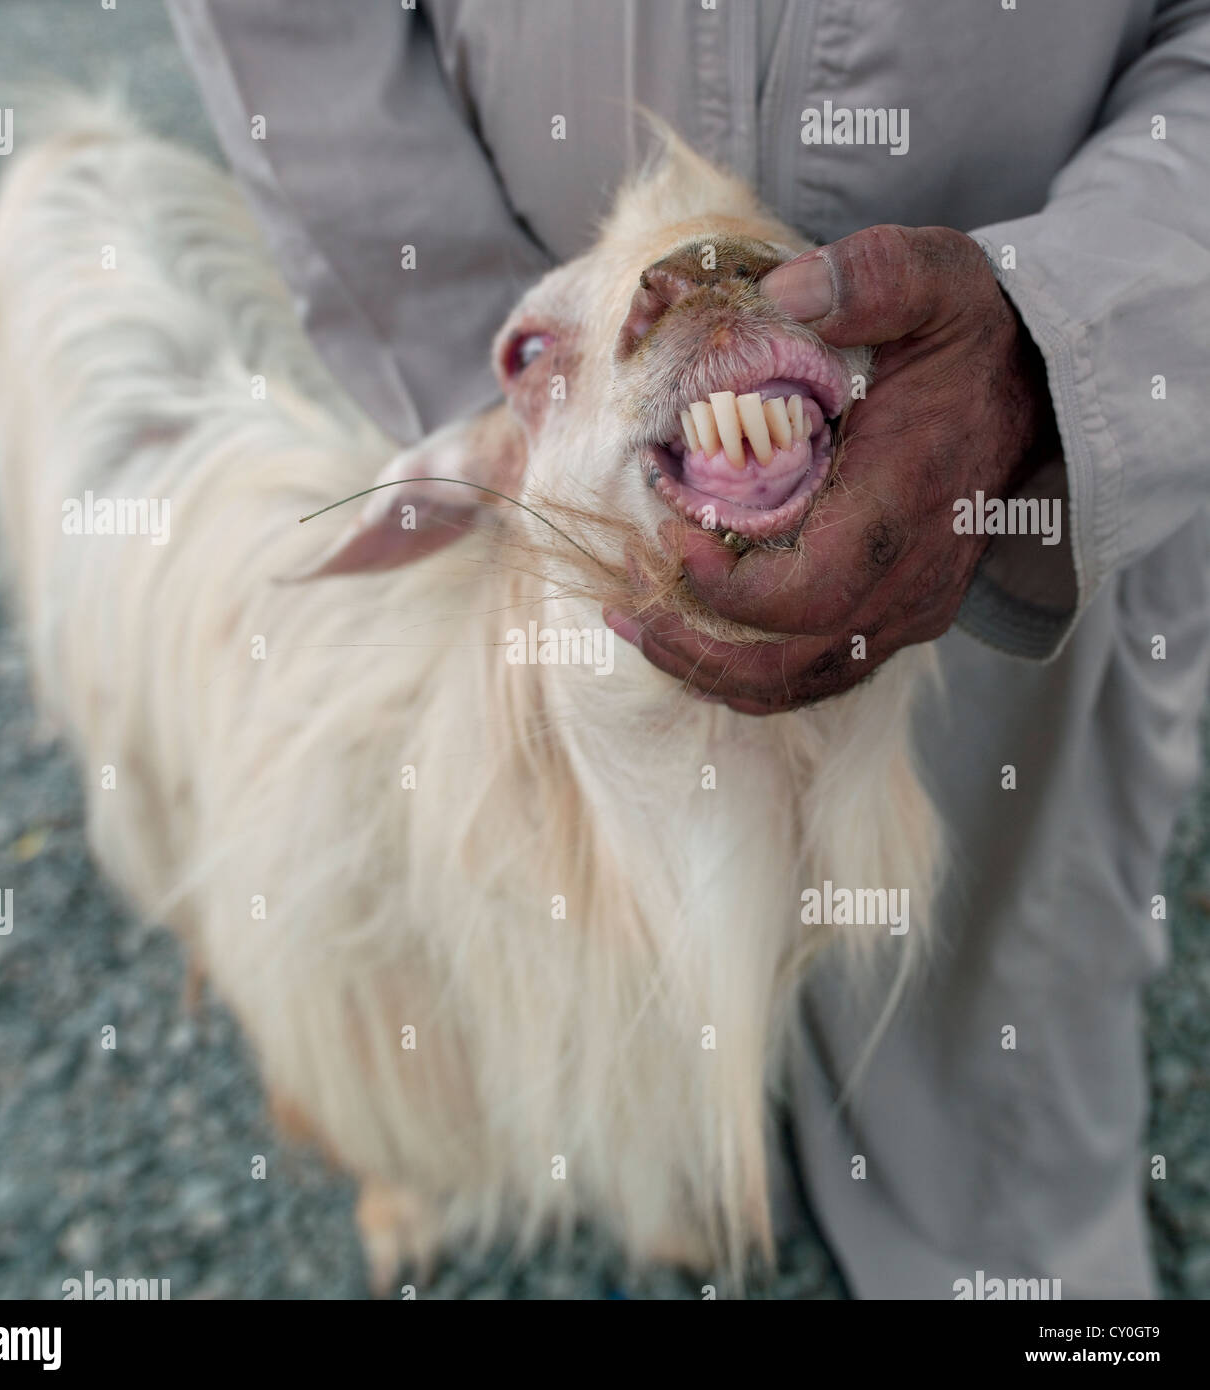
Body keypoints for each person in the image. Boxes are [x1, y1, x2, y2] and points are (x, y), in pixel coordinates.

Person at [166, 0, 1210, 1298]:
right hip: (525, 336)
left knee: (1014, 903)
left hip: (1046, 373)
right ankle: (653, 1143)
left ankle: (998, 1236)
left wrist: (1063, 354)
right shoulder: (511, 439)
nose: (694, 293)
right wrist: (506, 399)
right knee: (547, 854)